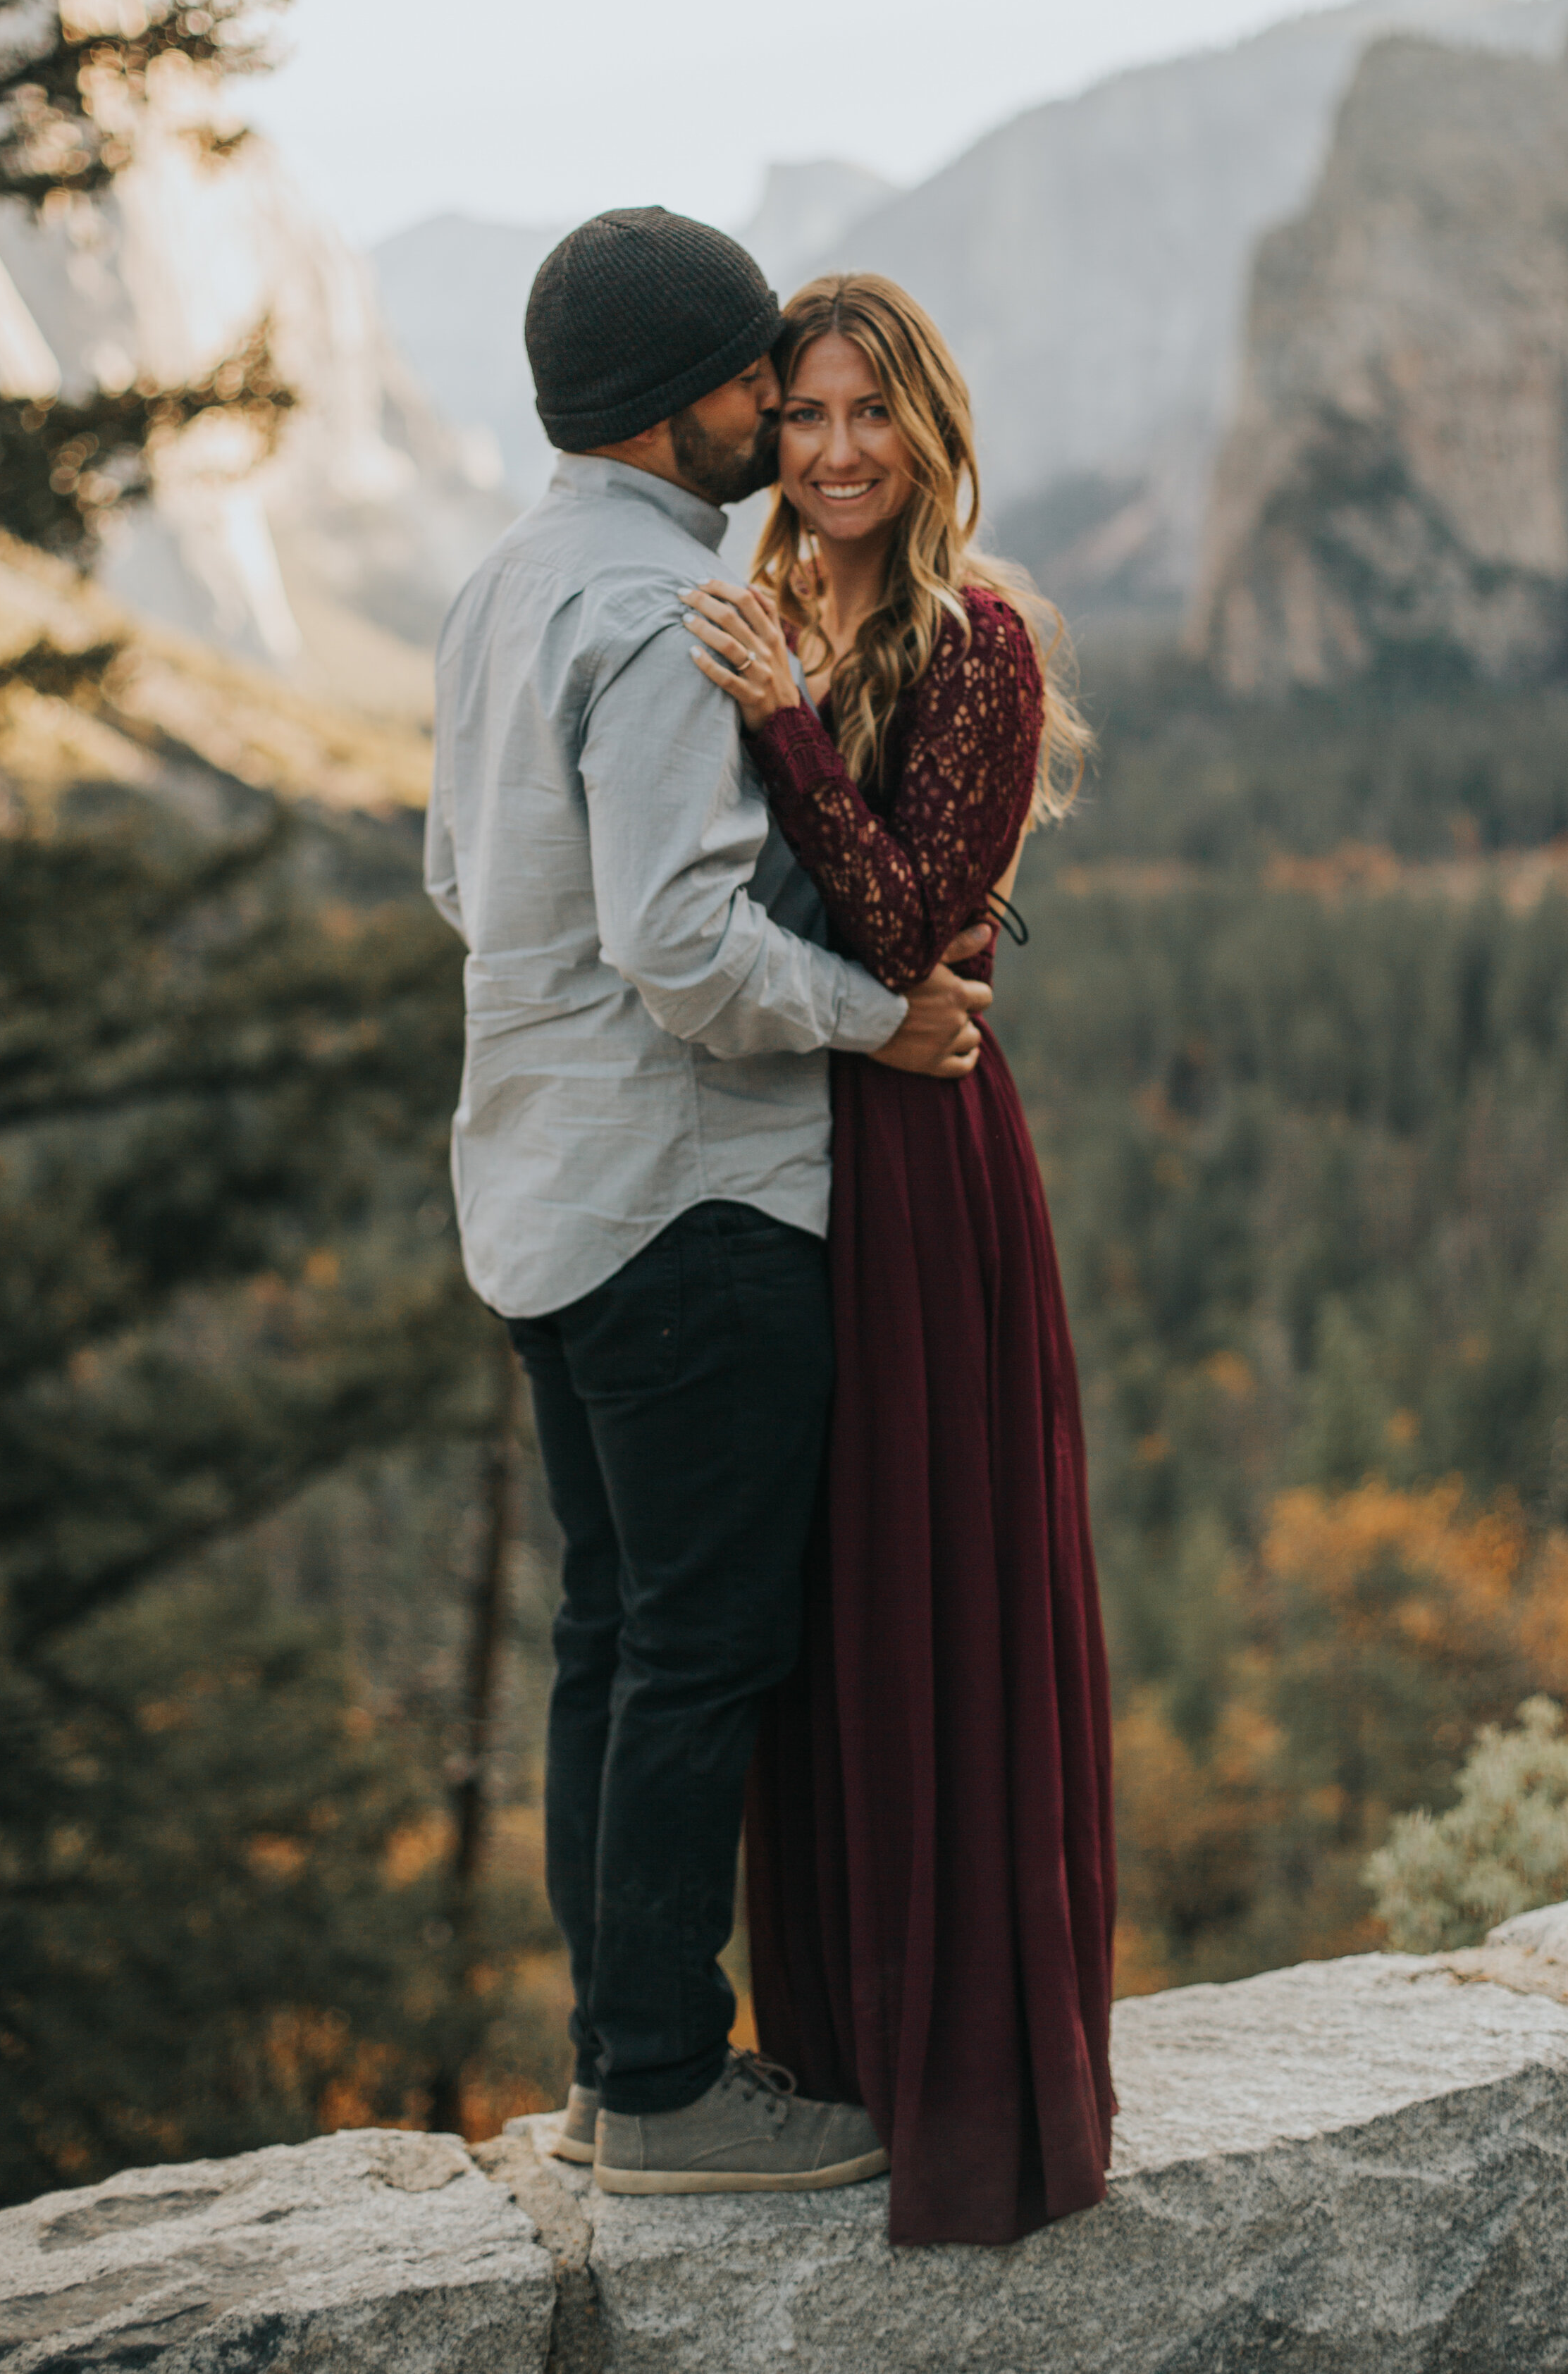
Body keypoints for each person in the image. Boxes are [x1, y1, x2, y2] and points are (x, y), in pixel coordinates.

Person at [425, 208, 992, 2198]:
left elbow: (461, 883)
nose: (779, 405)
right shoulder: (665, 622)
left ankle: (615, 2064)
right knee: (701, 1651)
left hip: (537, 1190)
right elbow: (682, 954)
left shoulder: (505, 589)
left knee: (613, 1633)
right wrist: (872, 1016)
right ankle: (664, 2081)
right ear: (686, 406)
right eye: (760, 375)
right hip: (689, 1204)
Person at [681, 271, 1117, 2246]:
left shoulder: (980, 640)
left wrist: (780, 721)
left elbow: (905, 926)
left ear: (929, 427)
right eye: (804, 417)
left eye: (873, 413)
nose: (838, 451)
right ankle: (839, 2051)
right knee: (815, 1593)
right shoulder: (741, 604)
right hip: (768, 1144)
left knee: (933, 1579)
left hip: (920, 1160)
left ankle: (969, 2088)